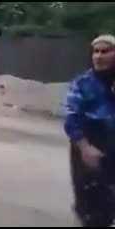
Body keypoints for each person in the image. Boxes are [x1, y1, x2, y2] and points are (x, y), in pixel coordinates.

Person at [64, 34, 115, 227]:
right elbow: (71, 118)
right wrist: (85, 148)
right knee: (91, 207)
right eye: (96, 51)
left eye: (105, 51)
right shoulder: (82, 83)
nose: (99, 56)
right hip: (89, 144)